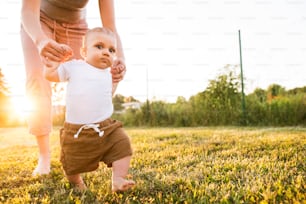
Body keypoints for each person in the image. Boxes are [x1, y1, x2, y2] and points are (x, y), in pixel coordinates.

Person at [20, 0, 126, 176]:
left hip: (77, 26)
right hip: (38, 21)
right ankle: (44, 156)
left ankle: (86, 143)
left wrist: (120, 59)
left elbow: (110, 25)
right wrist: (40, 41)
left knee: (97, 75)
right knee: (38, 78)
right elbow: (28, 11)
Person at [43, 27, 135, 192]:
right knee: (70, 164)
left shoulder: (108, 74)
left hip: (106, 129)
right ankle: (76, 182)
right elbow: (51, 76)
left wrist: (116, 80)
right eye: (99, 46)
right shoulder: (74, 67)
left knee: (123, 144)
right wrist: (51, 65)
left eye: (111, 50)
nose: (106, 52)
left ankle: (118, 179)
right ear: (84, 52)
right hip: (76, 131)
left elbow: (109, 94)